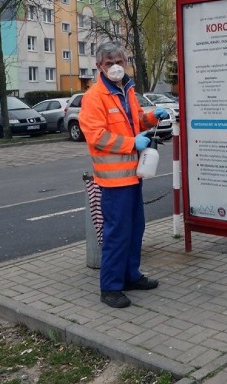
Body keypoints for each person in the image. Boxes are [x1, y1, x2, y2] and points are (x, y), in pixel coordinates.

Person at [79, 42, 170, 308]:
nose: (116, 67)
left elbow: (136, 120)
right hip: (113, 179)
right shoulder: (94, 97)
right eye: (109, 63)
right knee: (117, 233)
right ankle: (110, 287)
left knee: (134, 229)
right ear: (99, 67)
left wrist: (152, 117)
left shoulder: (126, 90)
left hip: (133, 175)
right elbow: (96, 136)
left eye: (119, 61)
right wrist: (132, 144)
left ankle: (130, 275)